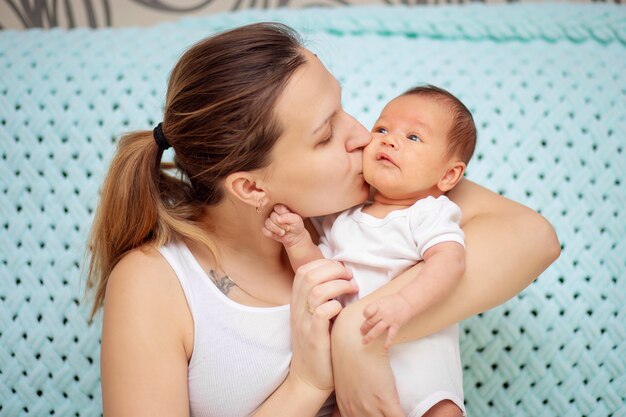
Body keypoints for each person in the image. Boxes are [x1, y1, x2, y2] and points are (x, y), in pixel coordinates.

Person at [85, 22, 560, 417]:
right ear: (251, 187)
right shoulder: (156, 282)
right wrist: (308, 383)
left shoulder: (370, 197)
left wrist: (355, 335)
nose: (361, 135)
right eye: (326, 133)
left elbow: (533, 237)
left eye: (344, 107)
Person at [263, 85, 475, 417]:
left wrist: (404, 303)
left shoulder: (428, 212)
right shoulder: (342, 217)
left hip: (422, 372)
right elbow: (321, 275)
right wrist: (297, 242)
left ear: (448, 175)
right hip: (353, 385)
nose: (390, 140)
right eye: (382, 129)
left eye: (414, 138)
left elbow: (450, 262)